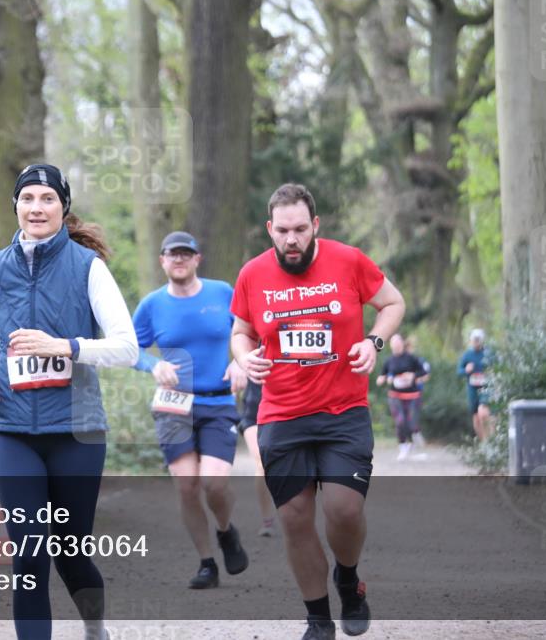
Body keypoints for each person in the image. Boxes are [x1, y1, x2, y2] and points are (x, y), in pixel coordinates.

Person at [0, 163, 138, 640]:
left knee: (71, 551)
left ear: (64, 206)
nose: (37, 207)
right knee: (28, 552)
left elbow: (127, 347)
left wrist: (67, 346)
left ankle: (94, 625)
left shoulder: (89, 268)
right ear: (15, 206)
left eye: (47, 198)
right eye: (28, 199)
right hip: (10, 427)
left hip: (77, 431)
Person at [230, 184, 405, 640]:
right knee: (294, 517)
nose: (292, 239)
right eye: (283, 230)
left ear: (315, 227)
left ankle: (349, 580)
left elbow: (392, 302)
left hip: (343, 411)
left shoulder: (348, 260)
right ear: (270, 229)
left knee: (344, 511)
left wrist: (374, 342)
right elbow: (241, 331)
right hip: (281, 415)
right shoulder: (252, 273)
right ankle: (318, 619)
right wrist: (243, 356)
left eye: (300, 229)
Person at [131, 231, 250, 589]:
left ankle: (227, 531)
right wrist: (152, 365)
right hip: (173, 404)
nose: (179, 259)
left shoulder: (222, 293)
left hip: (217, 401)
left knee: (214, 484)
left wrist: (242, 364)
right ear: (162, 261)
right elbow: (131, 349)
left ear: (198, 259)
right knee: (187, 485)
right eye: (172, 254)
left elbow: (250, 333)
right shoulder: (152, 305)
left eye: (186, 253)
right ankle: (206, 563)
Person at [375, 334, 429, 461]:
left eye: (398, 342)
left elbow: (423, 373)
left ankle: (415, 435)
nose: (396, 345)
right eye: (394, 343)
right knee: (400, 422)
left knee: (411, 421)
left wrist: (412, 376)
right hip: (395, 395)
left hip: (412, 395)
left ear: (402, 344)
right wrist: (384, 379)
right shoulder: (389, 361)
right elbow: (381, 378)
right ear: (391, 345)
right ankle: (403, 448)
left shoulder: (411, 358)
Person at [238, 381, 278, 536]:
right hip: (255, 408)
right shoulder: (247, 355)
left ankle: (297, 512)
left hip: (290, 408)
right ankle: (267, 519)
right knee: (262, 462)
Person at [457, 328, 493, 441]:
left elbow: (498, 368)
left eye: (478, 339)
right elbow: (459, 371)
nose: (476, 342)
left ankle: (490, 440)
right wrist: (466, 371)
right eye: (474, 339)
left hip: (486, 387)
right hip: (472, 389)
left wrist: (490, 373)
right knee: (476, 417)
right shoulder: (467, 355)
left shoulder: (488, 353)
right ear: (471, 340)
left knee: (483, 412)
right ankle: (483, 443)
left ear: (482, 340)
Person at [404, 335, 430, 449]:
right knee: (405, 416)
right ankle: (409, 439)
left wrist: (414, 379)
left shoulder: (420, 361)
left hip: (417, 393)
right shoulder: (402, 361)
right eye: (409, 347)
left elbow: (426, 376)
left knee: (413, 415)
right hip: (404, 393)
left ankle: (416, 435)